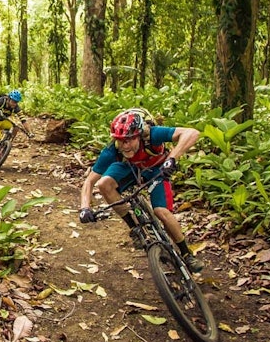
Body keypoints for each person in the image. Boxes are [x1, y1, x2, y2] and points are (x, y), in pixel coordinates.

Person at [77, 109, 204, 272]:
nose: (125, 145)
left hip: (156, 170)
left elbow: (192, 133)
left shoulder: (152, 135)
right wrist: (85, 208)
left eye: (129, 140)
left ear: (139, 135)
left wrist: (172, 159)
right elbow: (89, 181)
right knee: (103, 184)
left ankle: (186, 253)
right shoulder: (113, 150)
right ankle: (134, 228)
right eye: (120, 141)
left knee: (161, 211)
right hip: (130, 169)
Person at [0, 90, 23, 155]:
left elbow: (23, 119)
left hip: (3, 121)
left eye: (16, 102)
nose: (14, 104)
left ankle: (7, 143)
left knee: (16, 127)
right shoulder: (1, 101)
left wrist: (29, 132)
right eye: (13, 101)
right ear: (8, 99)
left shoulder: (16, 107)